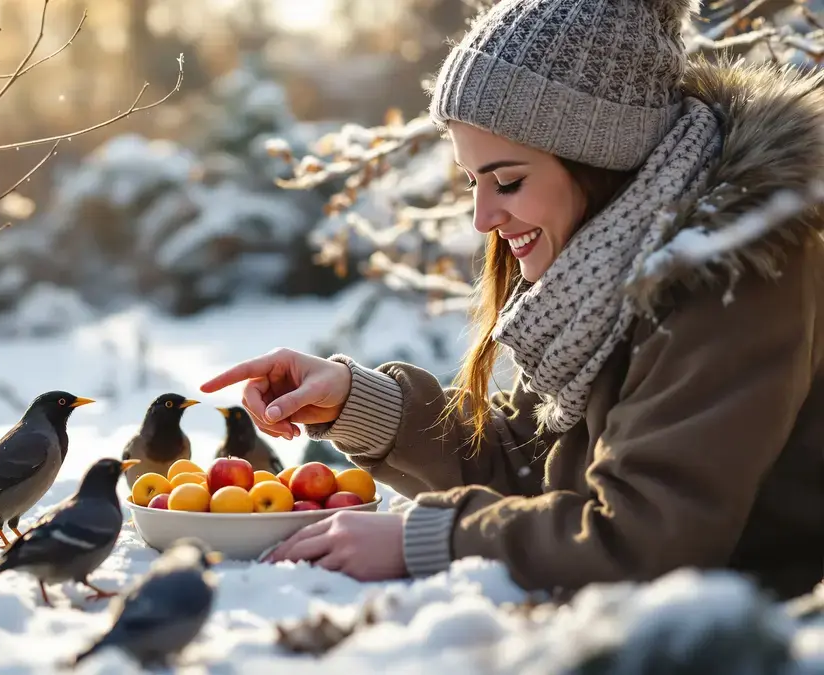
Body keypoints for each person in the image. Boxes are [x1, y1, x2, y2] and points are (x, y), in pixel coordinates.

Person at [201, 0, 824, 601]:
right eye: (471, 181)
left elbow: (647, 539)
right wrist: (359, 402)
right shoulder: (598, 265)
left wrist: (429, 537)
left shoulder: (733, 275)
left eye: (508, 181)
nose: (481, 218)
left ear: (601, 159)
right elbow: (531, 465)